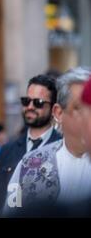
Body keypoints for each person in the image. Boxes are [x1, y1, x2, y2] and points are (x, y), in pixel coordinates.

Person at [5, 67, 91, 217]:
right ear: (58, 113)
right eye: (78, 108)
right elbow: (11, 210)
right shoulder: (30, 164)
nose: (87, 117)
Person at [0, 74, 62, 217]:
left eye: (38, 102)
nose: (30, 107)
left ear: (54, 109)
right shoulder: (8, 149)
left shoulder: (61, 147)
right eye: (26, 101)